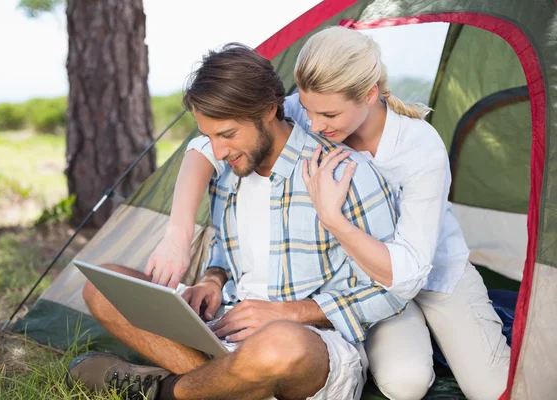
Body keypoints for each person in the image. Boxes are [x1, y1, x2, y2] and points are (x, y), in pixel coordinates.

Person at [145, 27, 510, 400]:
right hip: (362, 276)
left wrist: (332, 218)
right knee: (406, 380)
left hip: (422, 273)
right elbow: (205, 146)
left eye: (329, 114)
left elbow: (404, 276)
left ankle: (484, 328)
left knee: (492, 387)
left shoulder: (419, 146)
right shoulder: (302, 110)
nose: (314, 125)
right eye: (306, 109)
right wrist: (178, 234)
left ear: (369, 95)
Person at [67, 43, 407, 400]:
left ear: (269, 110)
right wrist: (213, 281)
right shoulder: (230, 171)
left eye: (226, 134)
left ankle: (165, 391)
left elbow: (391, 290)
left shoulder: (346, 173)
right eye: (209, 136)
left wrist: (287, 313)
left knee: (280, 345)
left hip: (308, 345)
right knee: (103, 286)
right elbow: (228, 252)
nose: (217, 151)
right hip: (226, 326)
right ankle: (224, 387)